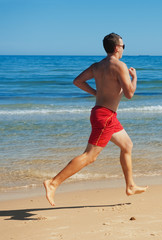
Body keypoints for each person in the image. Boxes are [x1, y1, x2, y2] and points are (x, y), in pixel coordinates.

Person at [43, 33, 148, 206]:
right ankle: (53, 183)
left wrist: (96, 93)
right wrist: (135, 78)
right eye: (123, 46)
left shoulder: (97, 66)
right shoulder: (120, 66)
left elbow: (78, 81)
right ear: (116, 48)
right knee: (89, 156)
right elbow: (129, 94)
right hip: (105, 117)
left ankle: (130, 186)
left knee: (127, 145)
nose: (123, 49)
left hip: (103, 114)